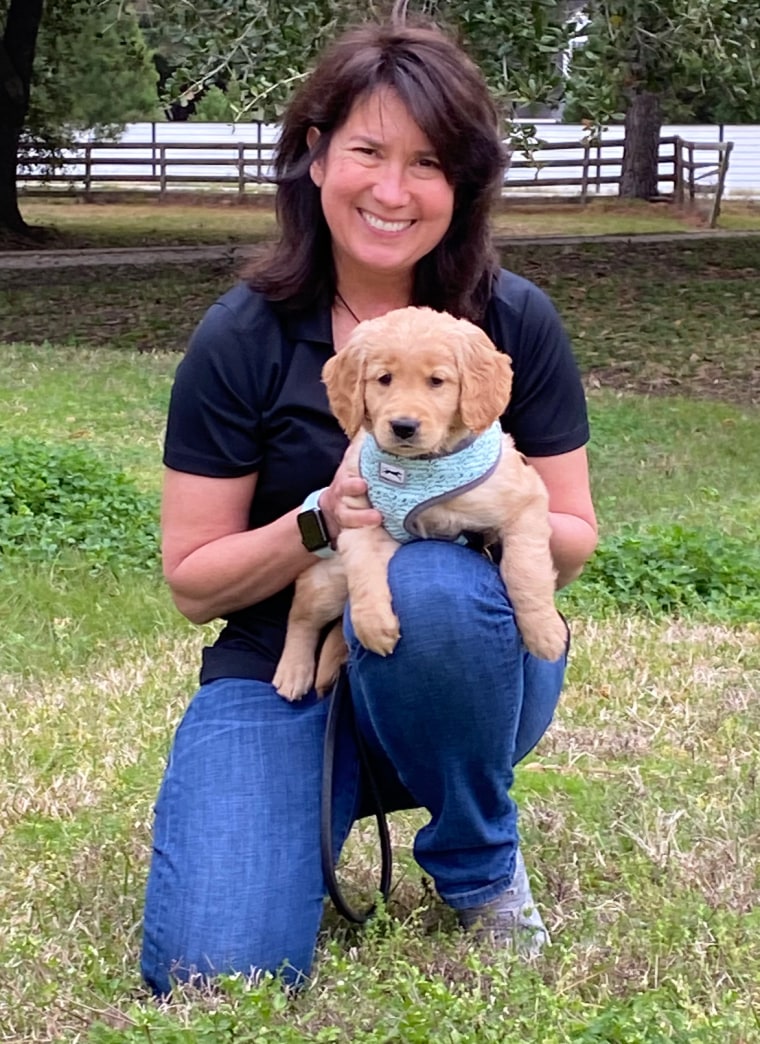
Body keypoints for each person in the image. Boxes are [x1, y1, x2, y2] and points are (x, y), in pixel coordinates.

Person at [140, 15, 598, 998]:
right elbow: (190, 583)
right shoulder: (243, 339)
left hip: (459, 665)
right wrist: (325, 516)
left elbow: (570, 530)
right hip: (283, 672)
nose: (392, 191)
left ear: (463, 183)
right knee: (216, 969)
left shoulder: (509, 321)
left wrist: (469, 514)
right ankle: (298, 792)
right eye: (366, 152)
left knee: (431, 586)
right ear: (312, 156)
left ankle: (476, 864)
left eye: (428, 162)